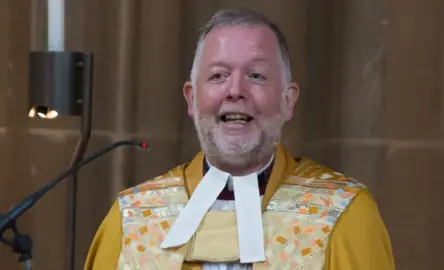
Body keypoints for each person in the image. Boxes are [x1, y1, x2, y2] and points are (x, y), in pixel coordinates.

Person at [84, 8, 395, 270]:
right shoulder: (130, 219)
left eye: (256, 75)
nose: (235, 90)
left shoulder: (344, 214)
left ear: (288, 100)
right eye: (218, 75)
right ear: (191, 100)